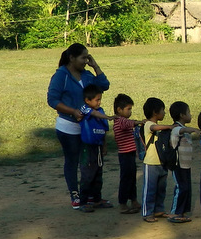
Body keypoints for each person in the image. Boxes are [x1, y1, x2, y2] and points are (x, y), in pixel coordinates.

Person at [46, 43, 110, 210]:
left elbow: (104, 85)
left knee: (89, 163)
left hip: (87, 127)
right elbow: (52, 100)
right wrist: (73, 111)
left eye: (87, 57)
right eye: (83, 57)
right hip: (68, 127)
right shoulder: (61, 75)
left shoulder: (87, 75)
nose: (85, 61)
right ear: (71, 58)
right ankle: (75, 194)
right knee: (73, 161)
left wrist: (95, 65)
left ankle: (90, 196)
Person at [142, 98, 180, 222]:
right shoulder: (148, 124)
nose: (164, 113)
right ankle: (147, 213)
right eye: (162, 110)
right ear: (155, 112)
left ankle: (159, 209)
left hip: (161, 162)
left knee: (161, 189)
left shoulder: (159, 127)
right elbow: (154, 127)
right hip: (151, 163)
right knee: (150, 189)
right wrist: (169, 126)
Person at [77, 84, 114, 212]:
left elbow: (104, 130)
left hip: (98, 147)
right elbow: (93, 113)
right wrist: (108, 117)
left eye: (100, 99)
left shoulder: (101, 111)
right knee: (87, 175)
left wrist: (104, 145)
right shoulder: (84, 108)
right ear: (88, 100)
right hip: (88, 147)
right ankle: (83, 201)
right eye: (97, 99)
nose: (99, 102)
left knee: (98, 174)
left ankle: (97, 199)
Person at [168, 101, 200, 222]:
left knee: (186, 187)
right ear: (182, 115)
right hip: (178, 165)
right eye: (189, 112)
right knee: (181, 187)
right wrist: (194, 130)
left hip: (186, 165)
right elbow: (180, 132)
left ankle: (182, 212)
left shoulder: (181, 128)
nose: (191, 115)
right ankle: (174, 213)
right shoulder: (176, 128)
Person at [111, 94, 141, 214]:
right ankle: (122, 202)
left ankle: (133, 199)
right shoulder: (120, 121)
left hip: (130, 153)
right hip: (125, 154)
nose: (130, 112)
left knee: (132, 178)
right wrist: (139, 122)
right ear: (119, 110)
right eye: (128, 109)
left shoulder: (123, 120)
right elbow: (128, 124)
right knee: (126, 179)